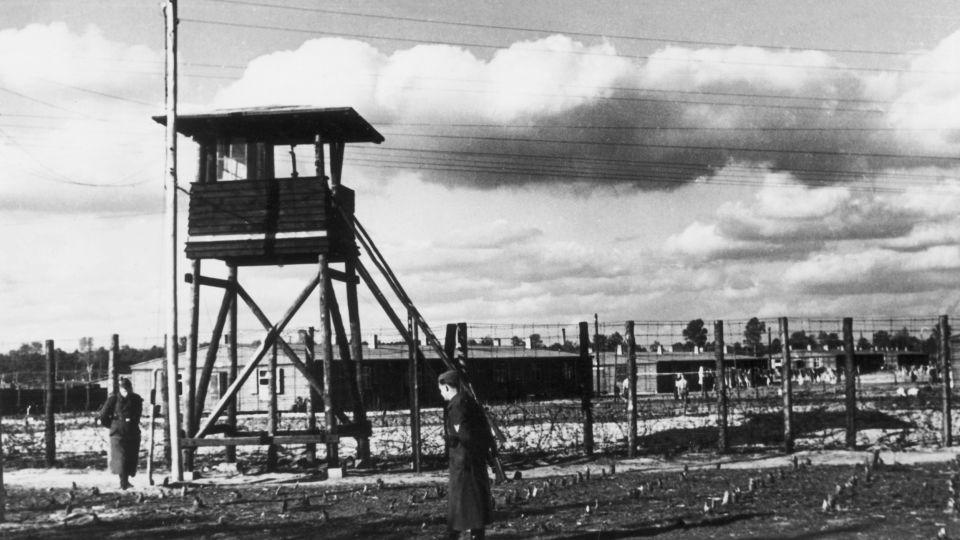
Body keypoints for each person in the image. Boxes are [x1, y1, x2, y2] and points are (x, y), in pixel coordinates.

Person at [438, 370, 493, 540]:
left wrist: (458, 442)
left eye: (440, 389)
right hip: (472, 462)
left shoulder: (457, 405)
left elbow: (464, 434)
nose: (440, 393)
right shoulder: (468, 401)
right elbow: (481, 430)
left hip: (464, 464)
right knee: (474, 507)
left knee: (460, 508)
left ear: (447, 387)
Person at [98, 378, 143, 489]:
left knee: (130, 457)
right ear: (120, 389)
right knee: (120, 458)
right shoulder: (112, 400)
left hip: (132, 431)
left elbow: (138, 415)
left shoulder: (136, 399)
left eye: (128, 389)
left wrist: (130, 424)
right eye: (124, 389)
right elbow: (103, 416)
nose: (126, 391)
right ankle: (123, 482)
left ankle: (125, 481)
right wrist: (113, 425)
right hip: (118, 433)